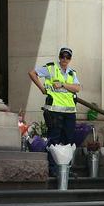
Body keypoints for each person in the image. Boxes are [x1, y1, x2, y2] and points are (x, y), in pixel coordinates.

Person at [27, 47, 81, 178]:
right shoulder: (51, 68)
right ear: (59, 56)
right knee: (54, 140)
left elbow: (78, 88)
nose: (64, 59)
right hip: (53, 111)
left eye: (67, 57)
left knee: (68, 140)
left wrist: (63, 84)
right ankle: (52, 168)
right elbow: (32, 73)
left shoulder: (71, 73)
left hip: (69, 111)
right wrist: (42, 89)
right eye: (62, 56)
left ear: (70, 59)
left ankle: (66, 168)